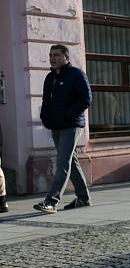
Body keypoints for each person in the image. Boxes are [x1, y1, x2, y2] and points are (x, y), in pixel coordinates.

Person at [34, 45, 92, 214]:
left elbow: (86, 99)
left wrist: (67, 115)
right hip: (55, 125)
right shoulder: (49, 78)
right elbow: (46, 102)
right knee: (71, 162)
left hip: (72, 125)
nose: (53, 58)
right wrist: (46, 118)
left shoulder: (76, 74)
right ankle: (83, 198)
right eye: (51, 55)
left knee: (62, 162)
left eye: (57, 55)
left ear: (66, 57)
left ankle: (51, 201)